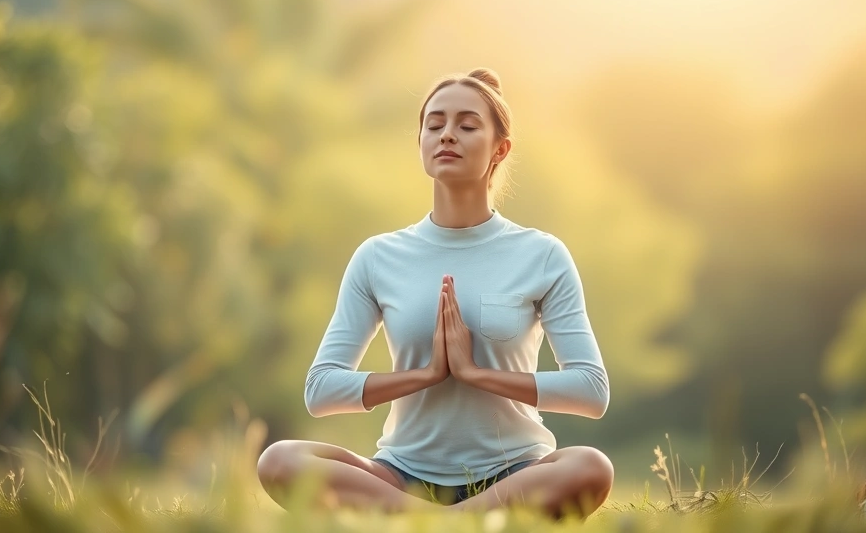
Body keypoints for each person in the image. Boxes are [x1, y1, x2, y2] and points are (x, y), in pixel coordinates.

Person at [257, 68, 613, 519]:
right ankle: (455, 523)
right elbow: (321, 389)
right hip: (402, 477)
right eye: (435, 124)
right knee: (280, 460)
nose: (447, 135)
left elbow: (591, 390)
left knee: (590, 466)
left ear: (500, 149)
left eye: (466, 125)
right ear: (421, 143)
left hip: (515, 474)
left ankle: (433, 524)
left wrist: (475, 373)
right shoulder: (378, 256)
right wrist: (426, 374)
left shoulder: (541, 254)